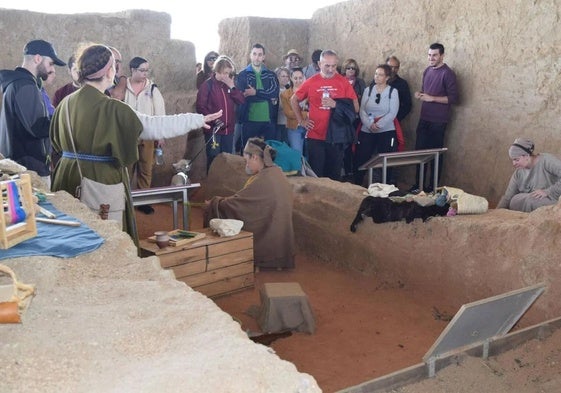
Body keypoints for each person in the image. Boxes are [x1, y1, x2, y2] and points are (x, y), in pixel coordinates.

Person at [50, 43, 222, 245]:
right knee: (104, 241)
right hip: (98, 180)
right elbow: (154, 126)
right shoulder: (112, 108)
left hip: (66, 176)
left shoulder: (65, 103)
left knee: (70, 237)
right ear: (109, 71)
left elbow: (54, 143)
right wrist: (198, 119)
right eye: (116, 65)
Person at [205, 137, 295, 270]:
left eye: (246, 160)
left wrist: (215, 203)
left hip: (268, 234)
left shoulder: (264, 179)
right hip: (280, 239)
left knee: (222, 213)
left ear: (255, 158)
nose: (245, 164)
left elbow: (240, 204)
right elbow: (247, 200)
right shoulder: (276, 172)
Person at [0, 39, 66, 189]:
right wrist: (65, 119)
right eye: (50, 63)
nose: (51, 69)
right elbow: (38, 127)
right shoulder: (25, 85)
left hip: (21, 166)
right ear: (38, 58)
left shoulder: (18, 83)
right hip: (29, 169)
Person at [290, 49, 358, 180]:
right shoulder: (311, 81)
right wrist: (301, 120)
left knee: (334, 174)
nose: (331, 69)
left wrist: (336, 105)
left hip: (336, 136)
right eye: (327, 65)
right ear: (319, 64)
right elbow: (294, 100)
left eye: (333, 66)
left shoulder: (343, 82)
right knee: (316, 174)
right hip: (315, 135)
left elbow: (355, 107)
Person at [412, 42, 459, 193]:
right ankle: (418, 186)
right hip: (424, 118)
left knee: (435, 155)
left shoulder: (448, 73)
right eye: (429, 55)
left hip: (438, 121)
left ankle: (432, 188)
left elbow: (453, 98)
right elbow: (426, 91)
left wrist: (432, 98)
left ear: (442, 56)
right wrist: (420, 94)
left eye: (434, 55)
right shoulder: (427, 71)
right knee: (420, 154)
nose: (431, 58)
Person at [124, 56, 165, 214]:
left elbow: (159, 113)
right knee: (127, 168)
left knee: (146, 168)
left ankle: (143, 200)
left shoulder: (152, 89)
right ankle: (125, 199)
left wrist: (160, 135)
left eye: (147, 70)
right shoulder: (123, 88)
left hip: (147, 135)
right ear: (132, 70)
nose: (145, 74)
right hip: (128, 135)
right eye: (142, 70)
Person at [196, 55, 245, 170]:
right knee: (214, 158)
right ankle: (212, 183)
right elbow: (200, 107)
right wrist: (214, 120)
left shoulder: (230, 85)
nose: (225, 76)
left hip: (229, 129)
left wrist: (232, 87)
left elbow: (241, 100)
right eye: (223, 73)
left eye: (228, 73)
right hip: (214, 129)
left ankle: (224, 183)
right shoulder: (207, 85)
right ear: (216, 71)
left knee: (227, 158)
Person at [354, 64, 399, 186]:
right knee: (361, 157)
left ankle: (385, 186)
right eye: (376, 74)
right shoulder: (368, 90)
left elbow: (393, 112)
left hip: (386, 131)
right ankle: (357, 183)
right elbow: (362, 110)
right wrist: (369, 124)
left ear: (387, 77)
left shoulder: (392, 92)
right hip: (367, 129)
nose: (377, 77)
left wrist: (378, 125)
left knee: (386, 159)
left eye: (380, 75)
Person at [497, 138, 561, 212]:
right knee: (515, 200)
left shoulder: (547, 161)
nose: (514, 164)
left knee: (531, 201)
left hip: (554, 199)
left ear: (526, 156)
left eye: (516, 160)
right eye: (512, 160)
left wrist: (548, 191)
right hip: (533, 200)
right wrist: (496, 212)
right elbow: (508, 197)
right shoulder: (518, 173)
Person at [236, 43, 280, 147]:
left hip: (268, 120)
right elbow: (245, 94)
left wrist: (256, 92)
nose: (257, 57)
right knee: (248, 153)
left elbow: (274, 92)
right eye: (254, 54)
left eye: (260, 55)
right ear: (250, 55)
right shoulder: (243, 74)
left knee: (268, 153)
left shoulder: (271, 74)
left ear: (263, 57)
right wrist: (266, 95)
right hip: (249, 120)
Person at [341, 58, 366, 179]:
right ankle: (344, 170)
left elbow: (363, 99)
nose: (351, 70)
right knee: (343, 144)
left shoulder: (360, 82)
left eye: (353, 68)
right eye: (348, 68)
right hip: (342, 117)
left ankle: (352, 170)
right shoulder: (340, 81)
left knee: (354, 144)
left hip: (356, 117)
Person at [281, 67, 307, 155]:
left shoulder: (309, 92)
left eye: (300, 78)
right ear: (291, 78)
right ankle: (299, 169)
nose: (298, 81)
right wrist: (307, 114)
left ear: (303, 77)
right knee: (297, 154)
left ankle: (307, 169)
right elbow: (288, 113)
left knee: (310, 155)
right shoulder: (285, 94)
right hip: (294, 128)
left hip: (309, 127)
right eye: (295, 78)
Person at [386, 55, 412, 124]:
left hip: (393, 122)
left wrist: (396, 118)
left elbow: (407, 105)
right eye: (390, 67)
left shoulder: (402, 84)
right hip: (376, 120)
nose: (393, 70)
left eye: (396, 67)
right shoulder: (377, 81)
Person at [274, 66, 291, 143]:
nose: (285, 78)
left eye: (287, 76)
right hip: (277, 123)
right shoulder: (273, 90)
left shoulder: (289, 90)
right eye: (283, 76)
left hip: (287, 123)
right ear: (277, 77)